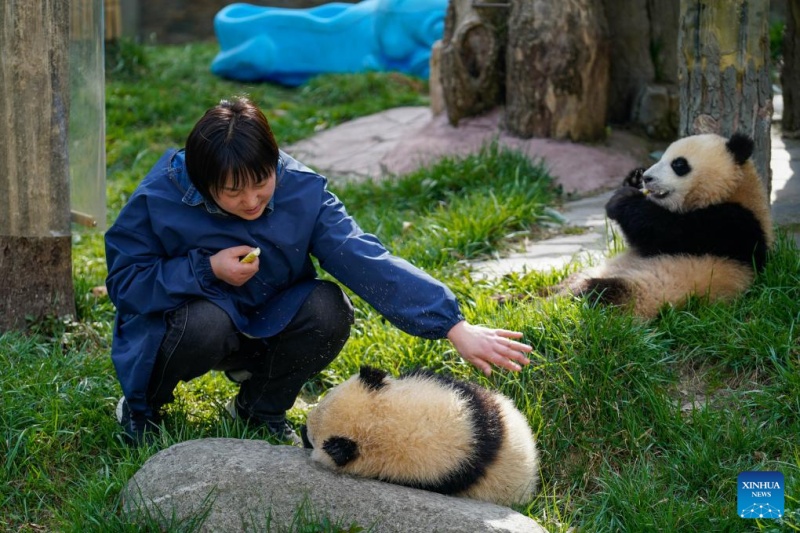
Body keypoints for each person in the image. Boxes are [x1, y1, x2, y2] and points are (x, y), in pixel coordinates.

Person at [104, 96, 532, 445]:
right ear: (201, 182)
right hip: (192, 325)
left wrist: (453, 325)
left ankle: (258, 408)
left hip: (265, 317)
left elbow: (362, 256)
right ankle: (142, 407)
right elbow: (125, 284)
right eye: (233, 192)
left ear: (274, 163)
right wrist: (205, 269)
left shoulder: (303, 189)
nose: (252, 201)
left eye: (262, 182)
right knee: (205, 323)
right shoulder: (159, 196)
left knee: (330, 308)